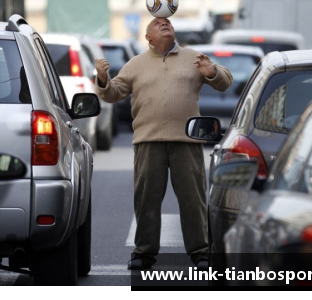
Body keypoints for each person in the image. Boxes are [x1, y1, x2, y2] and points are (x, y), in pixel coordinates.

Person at [94, 17, 233, 270]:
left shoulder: (194, 57)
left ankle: (201, 252)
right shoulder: (136, 64)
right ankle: (144, 253)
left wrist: (211, 71)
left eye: (167, 22)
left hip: (187, 141)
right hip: (149, 141)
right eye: (157, 24)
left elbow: (225, 81)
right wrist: (103, 79)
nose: (164, 24)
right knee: (147, 199)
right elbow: (114, 92)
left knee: (193, 199)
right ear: (147, 37)